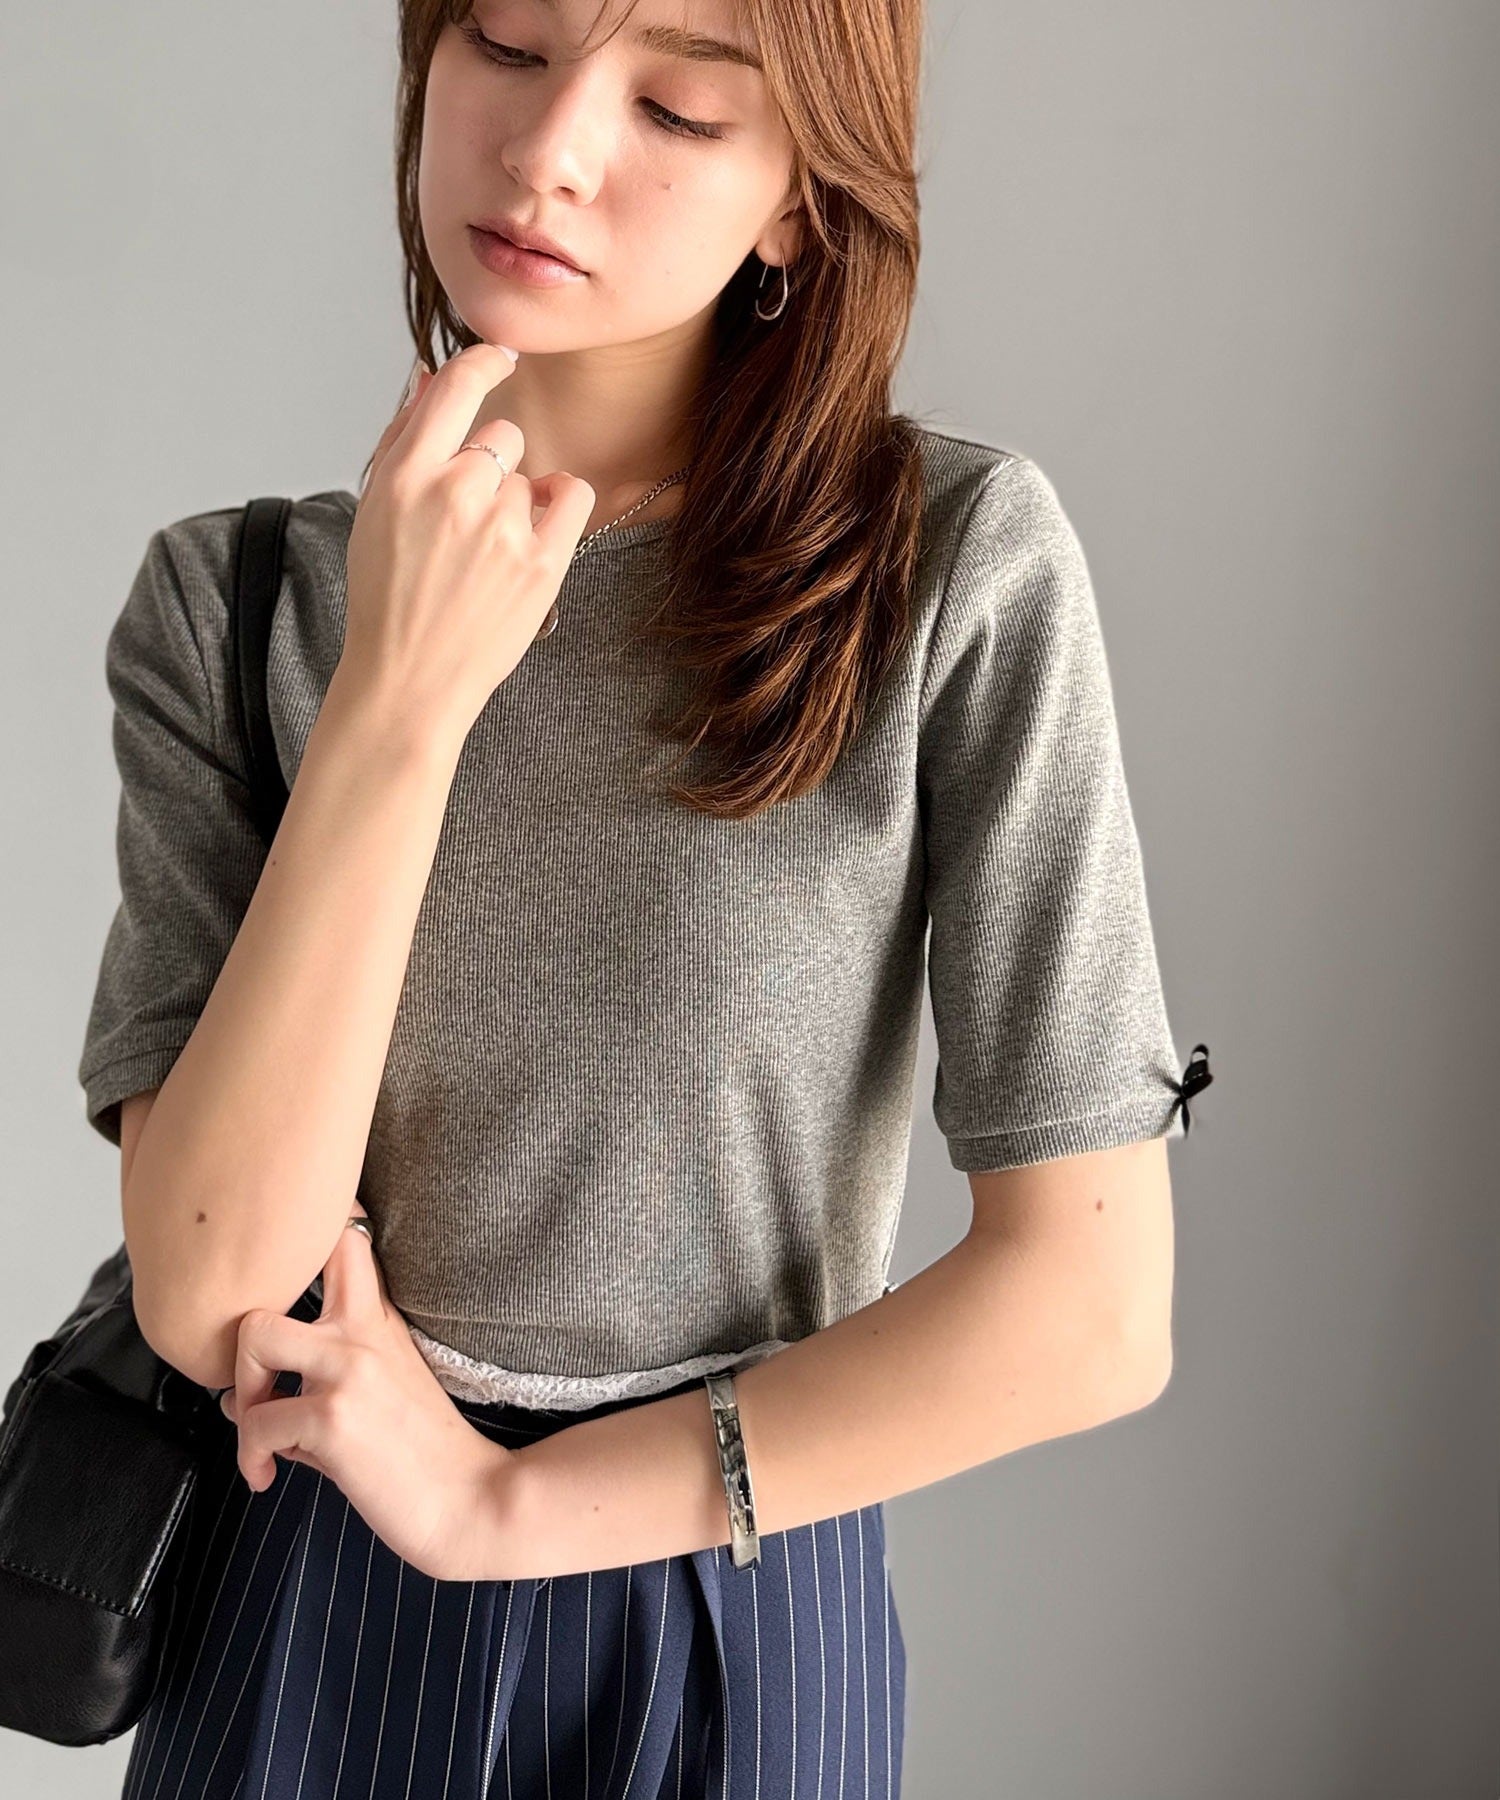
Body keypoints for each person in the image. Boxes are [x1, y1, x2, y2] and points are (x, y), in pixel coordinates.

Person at [75, 1, 1211, 1794]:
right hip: (301, 1593)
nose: (550, 150)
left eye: (676, 108)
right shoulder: (236, 606)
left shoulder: (943, 572)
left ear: (800, 199)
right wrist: (398, 706)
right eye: (507, 43)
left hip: (727, 1600)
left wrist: (502, 1509)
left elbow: (1089, 1307)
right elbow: (216, 1293)